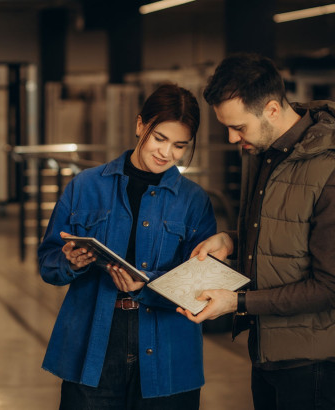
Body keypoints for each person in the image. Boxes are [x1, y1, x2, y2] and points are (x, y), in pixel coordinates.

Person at [177, 53, 335, 410]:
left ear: (271, 110)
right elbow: (285, 236)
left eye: (239, 127)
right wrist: (232, 241)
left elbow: (332, 288)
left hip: (316, 358)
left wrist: (236, 302)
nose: (230, 138)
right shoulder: (267, 152)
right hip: (271, 346)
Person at [38, 83, 217, 410]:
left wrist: (145, 285)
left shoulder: (194, 202)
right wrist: (71, 263)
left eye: (179, 145)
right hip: (94, 346)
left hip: (169, 352)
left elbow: (202, 286)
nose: (166, 153)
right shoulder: (85, 187)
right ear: (139, 126)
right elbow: (48, 263)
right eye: (159, 138)